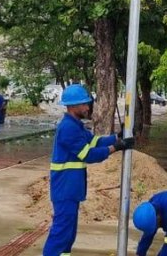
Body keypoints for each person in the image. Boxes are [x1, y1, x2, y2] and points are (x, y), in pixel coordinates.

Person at [43, 84, 135, 256]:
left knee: (68, 236)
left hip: (70, 190)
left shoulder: (75, 125)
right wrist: (115, 148)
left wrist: (117, 137)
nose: (88, 107)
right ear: (72, 106)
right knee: (60, 234)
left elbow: (94, 142)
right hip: (65, 190)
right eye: (84, 104)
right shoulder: (68, 128)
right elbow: (88, 154)